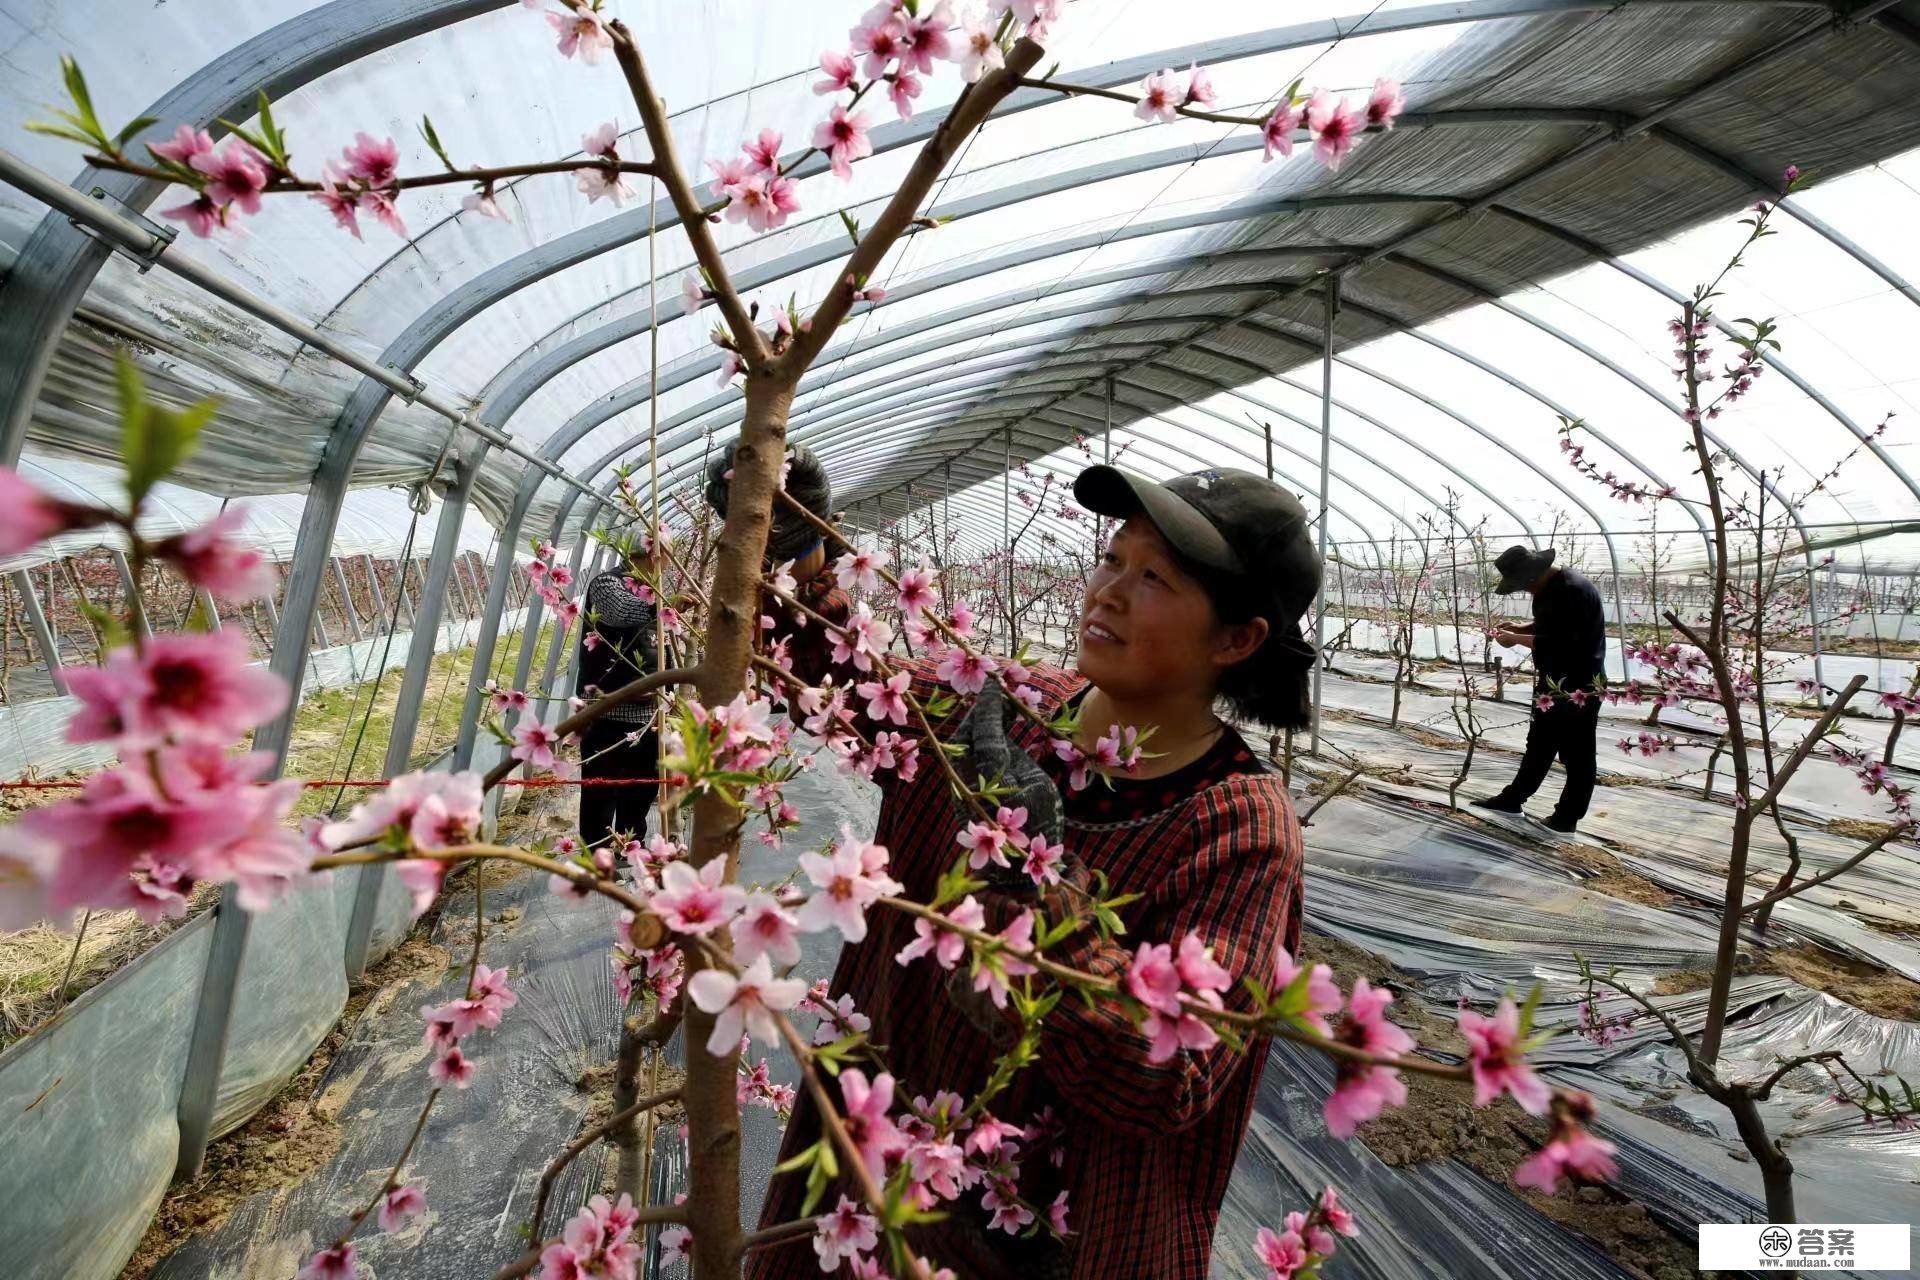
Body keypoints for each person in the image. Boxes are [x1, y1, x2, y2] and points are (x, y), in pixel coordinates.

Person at [722, 447, 1320, 1280]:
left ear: (1238, 637)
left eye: (1156, 579)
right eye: (1113, 558)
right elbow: (842, 683)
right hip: (881, 1156)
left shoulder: (1239, 829)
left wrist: (1028, 884)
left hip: (1042, 1231)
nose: (1108, 591)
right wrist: (793, 555)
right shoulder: (1002, 706)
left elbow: (1174, 1071)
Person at [1473, 544, 1607, 833]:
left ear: (1535, 575)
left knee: (1578, 756)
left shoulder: (1571, 591)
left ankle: (1567, 818)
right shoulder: (1554, 587)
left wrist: (1514, 639)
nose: (1526, 591)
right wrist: (1520, 628)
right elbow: (1551, 626)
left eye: (1524, 585)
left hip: (1577, 688)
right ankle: (1513, 799)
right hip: (1554, 682)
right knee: (1540, 744)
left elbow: (1559, 642)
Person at [575, 553, 663, 848]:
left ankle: (630, 844)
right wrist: (665, 605)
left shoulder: (656, 587)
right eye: (662, 558)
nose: (665, 566)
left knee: (641, 788)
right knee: (602, 788)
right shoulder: (608, 584)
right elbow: (620, 612)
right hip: (607, 710)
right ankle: (596, 852)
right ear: (645, 554)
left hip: (646, 713)